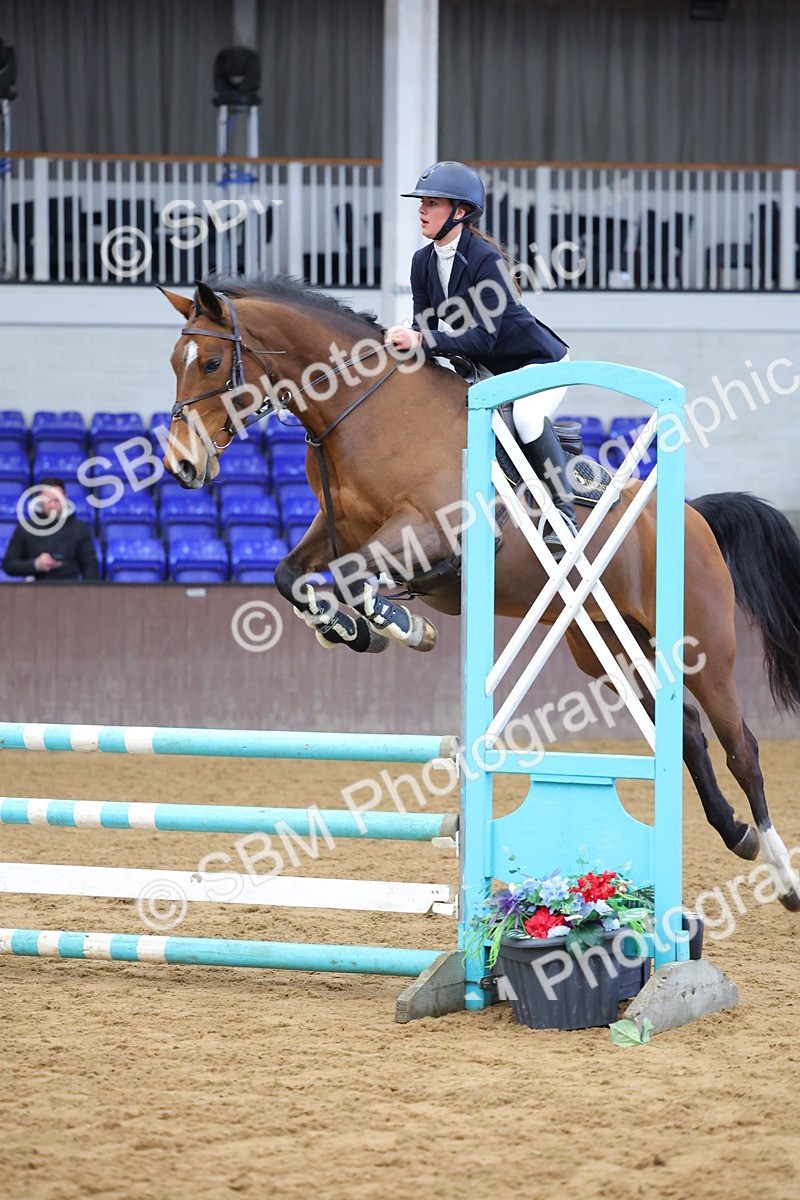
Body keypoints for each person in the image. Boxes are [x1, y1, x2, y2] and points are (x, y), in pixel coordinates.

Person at [387, 160, 577, 554]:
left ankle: (562, 514)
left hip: (535, 363)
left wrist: (420, 338)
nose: (421, 209)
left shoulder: (485, 261)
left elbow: (482, 339)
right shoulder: (422, 262)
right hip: (484, 372)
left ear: (460, 211)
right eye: (421, 202)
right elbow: (427, 326)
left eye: (432, 202)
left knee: (524, 417)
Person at [2, 477, 98, 582]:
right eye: (48, 500)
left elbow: (90, 567)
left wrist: (88, 594)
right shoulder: (26, 528)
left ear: (65, 498)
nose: (52, 505)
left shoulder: (79, 528)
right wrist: (36, 565)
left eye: (57, 500)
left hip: (71, 591)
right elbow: (8, 565)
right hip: (34, 592)